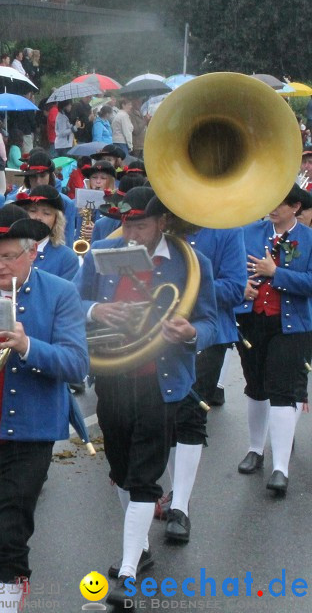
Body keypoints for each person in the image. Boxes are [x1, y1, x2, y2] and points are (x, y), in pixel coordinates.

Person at [0, 204, 89, 613]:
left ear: (32, 254)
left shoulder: (59, 293)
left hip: (31, 432)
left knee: (10, 531)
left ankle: (1, 604)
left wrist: (27, 346)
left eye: (9, 256)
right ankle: (6, 595)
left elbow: (77, 364)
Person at [75, 187, 215, 607]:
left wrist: (191, 333)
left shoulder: (192, 262)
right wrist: (95, 311)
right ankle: (140, 550)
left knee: (143, 473)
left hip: (162, 379)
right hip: (113, 373)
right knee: (120, 466)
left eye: (140, 224)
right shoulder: (102, 251)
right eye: (126, 224)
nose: (131, 233)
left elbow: (211, 321)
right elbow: (72, 299)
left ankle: (128, 569)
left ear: (162, 223)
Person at [158, 219, 245, 542]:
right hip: (154, 335)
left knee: (190, 416)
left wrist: (188, 285)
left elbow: (236, 287)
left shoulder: (226, 229)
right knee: (165, 416)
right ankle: (173, 491)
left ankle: (180, 506)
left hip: (206, 335)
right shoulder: (158, 226)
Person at [235, 184, 312, 496]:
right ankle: (256, 449)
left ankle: (281, 467)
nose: (273, 208)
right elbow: (232, 268)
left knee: (282, 391)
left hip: (291, 326)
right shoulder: (248, 231)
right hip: (252, 320)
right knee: (255, 386)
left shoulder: (307, 239)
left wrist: (276, 273)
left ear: (295, 207)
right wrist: (242, 286)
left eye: (280, 204)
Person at [12, 185, 79, 280]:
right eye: (33, 211)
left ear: (56, 220)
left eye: (46, 213)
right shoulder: (10, 248)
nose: (38, 217)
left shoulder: (66, 258)